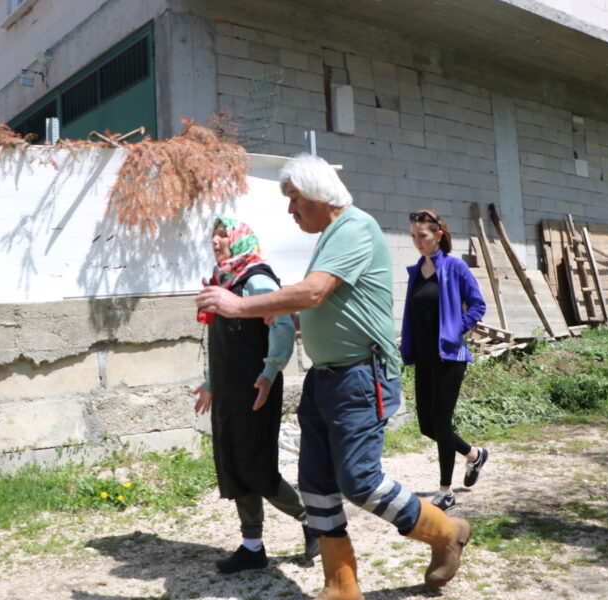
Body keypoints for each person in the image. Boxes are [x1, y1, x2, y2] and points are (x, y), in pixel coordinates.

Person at [196, 154, 470, 597]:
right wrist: (294, 321)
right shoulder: (330, 236)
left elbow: (316, 290)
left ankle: (444, 532)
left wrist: (241, 306)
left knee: (359, 481)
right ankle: (340, 585)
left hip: (361, 377)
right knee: (317, 486)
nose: (291, 210)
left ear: (321, 195)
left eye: (295, 199)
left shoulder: (356, 227)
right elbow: (328, 305)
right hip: (325, 379)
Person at [192, 216, 319, 573]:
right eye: (213, 235)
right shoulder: (225, 281)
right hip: (231, 388)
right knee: (233, 461)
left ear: (239, 240)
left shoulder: (256, 280)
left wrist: (269, 373)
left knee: (256, 466)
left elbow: (281, 325)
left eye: (223, 235)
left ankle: (311, 520)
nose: (216, 241)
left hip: (255, 388)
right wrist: (210, 383)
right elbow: (223, 343)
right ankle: (252, 546)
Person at [401, 209, 489, 511]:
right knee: (427, 426)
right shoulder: (415, 272)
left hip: (450, 356)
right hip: (424, 357)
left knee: (441, 419)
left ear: (438, 235)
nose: (417, 242)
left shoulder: (455, 267)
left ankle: (445, 491)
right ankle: (474, 455)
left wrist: (456, 330)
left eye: (422, 236)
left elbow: (478, 305)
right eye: (413, 236)